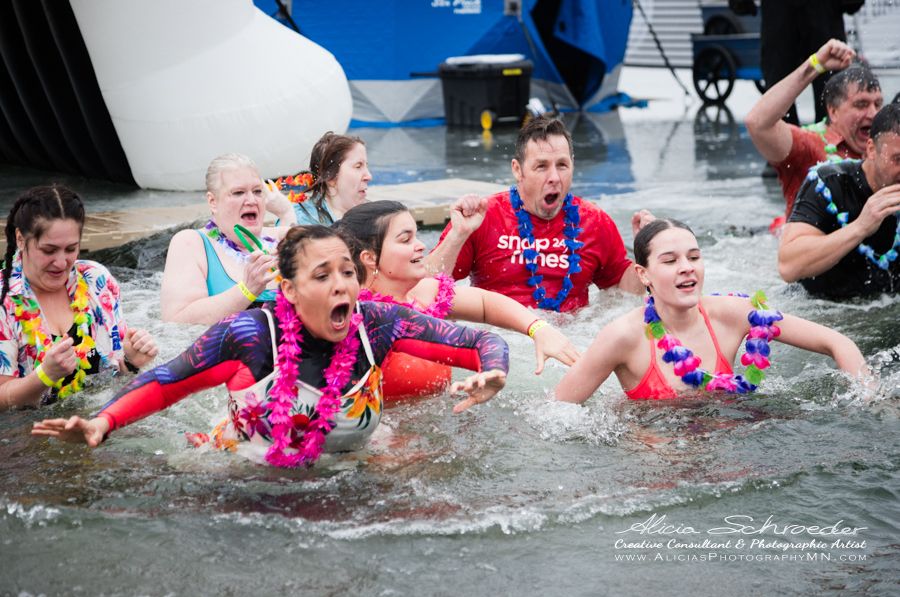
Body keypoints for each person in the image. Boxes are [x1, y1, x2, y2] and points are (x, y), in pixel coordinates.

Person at [31, 226, 508, 467]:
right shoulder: (250, 337)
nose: (341, 284)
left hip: (351, 461)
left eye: (347, 271)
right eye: (322, 275)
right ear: (290, 291)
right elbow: (165, 381)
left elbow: (480, 338)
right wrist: (102, 421)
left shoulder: (377, 325)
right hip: (248, 468)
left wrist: (494, 369)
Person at [555, 219, 866, 403]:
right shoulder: (622, 336)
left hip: (730, 452)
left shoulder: (733, 314)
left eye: (693, 257)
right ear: (643, 274)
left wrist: (867, 398)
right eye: (670, 261)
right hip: (659, 471)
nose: (687, 269)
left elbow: (838, 343)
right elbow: (557, 409)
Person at [337, 201, 580, 401]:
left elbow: (487, 305)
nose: (421, 246)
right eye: (405, 240)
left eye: (417, 236)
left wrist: (539, 329)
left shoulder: (425, 293)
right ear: (369, 258)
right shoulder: (350, 318)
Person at [430, 115, 651, 313]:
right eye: (542, 166)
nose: (554, 176)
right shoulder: (484, 217)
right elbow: (426, 287)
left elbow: (624, 295)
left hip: (573, 334)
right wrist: (457, 235)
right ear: (518, 169)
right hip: (500, 337)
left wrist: (646, 249)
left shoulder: (595, 222)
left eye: (562, 165)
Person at [0, 185, 158, 410]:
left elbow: (115, 373)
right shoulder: (3, 301)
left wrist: (132, 360)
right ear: (21, 239)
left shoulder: (96, 280)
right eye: (49, 250)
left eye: (71, 249)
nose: (61, 262)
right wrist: (45, 376)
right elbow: (2, 399)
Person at [745, 39, 883, 219]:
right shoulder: (809, 144)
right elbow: (757, 122)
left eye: (878, 104)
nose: (873, 114)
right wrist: (815, 65)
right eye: (861, 104)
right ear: (833, 112)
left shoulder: (887, 148)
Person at [778, 103, 900, 298]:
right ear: (871, 149)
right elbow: (788, 266)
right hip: (820, 306)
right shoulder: (828, 183)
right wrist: (861, 227)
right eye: (898, 159)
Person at [160, 153, 296, 324]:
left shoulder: (284, 237)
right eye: (238, 193)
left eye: (257, 191)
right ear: (213, 202)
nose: (251, 200)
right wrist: (247, 290)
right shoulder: (190, 243)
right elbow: (176, 322)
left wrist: (287, 212)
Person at [284, 132, 372, 226]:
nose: (369, 176)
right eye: (358, 166)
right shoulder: (300, 221)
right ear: (331, 178)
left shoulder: (373, 216)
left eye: (366, 166)